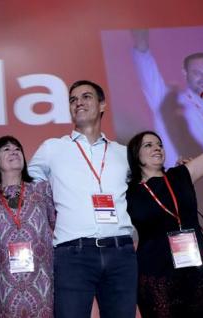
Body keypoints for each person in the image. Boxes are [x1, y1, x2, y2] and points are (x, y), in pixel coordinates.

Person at [28, 80, 137, 318]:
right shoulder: (52, 149)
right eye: (73, 99)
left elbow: (149, 183)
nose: (78, 102)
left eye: (86, 96)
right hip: (73, 254)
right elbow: (26, 185)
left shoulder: (123, 152)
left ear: (102, 105)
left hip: (120, 252)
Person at [125, 92, 203, 317]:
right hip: (157, 273)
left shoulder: (181, 174)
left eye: (159, 144)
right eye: (148, 145)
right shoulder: (129, 192)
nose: (157, 148)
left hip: (197, 266)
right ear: (136, 155)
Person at [131, 29, 203, 237]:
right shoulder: (171, 103)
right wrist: (142, 48)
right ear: (185, 73)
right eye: (198, 73)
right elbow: (148, 73)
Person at [0, 135, 55, 317]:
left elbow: (59, 225)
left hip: (42, 283)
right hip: (1, 287)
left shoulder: (42, 190)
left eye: (17, 149)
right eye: (6, 149)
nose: (13, 151)